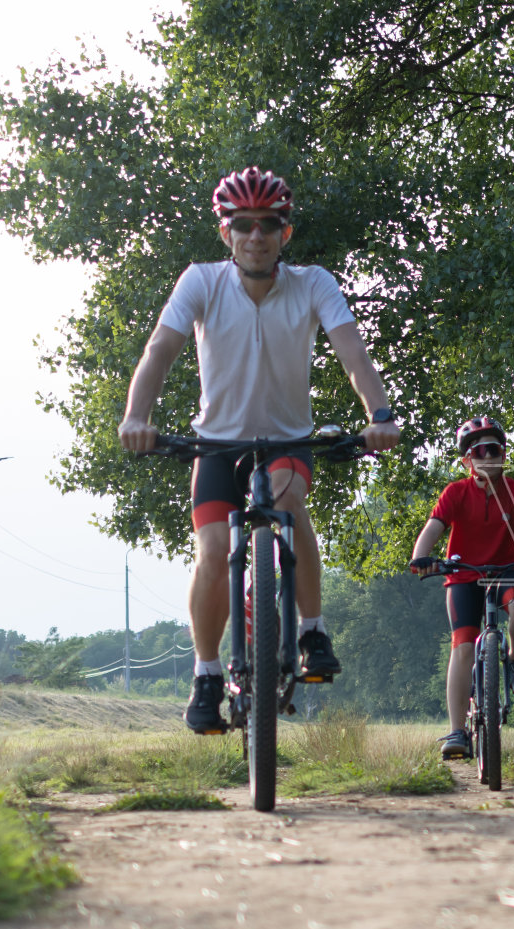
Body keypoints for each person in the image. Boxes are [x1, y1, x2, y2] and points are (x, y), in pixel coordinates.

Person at [118, 166, 401, 733]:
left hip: (286, 443)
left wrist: (380, 415)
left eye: (268, 224)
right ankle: (207, 674)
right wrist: (136, 417)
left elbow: (353, 354)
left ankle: (311, 631)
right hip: (216, 447)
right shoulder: (201, 281)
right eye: (243, 224)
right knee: (213, 551)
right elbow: (159, 351)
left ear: (284, 233)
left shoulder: (313, 283)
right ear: (226, 232)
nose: (255, 235)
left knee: (290, 505)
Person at [409, 417, 514, 759]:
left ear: (503, 454)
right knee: (463, 647)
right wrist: (421, 557)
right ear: (467, 460)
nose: (489, 456)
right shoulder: (455, 492)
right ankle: (457, 731)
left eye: (495, 449)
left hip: (507, 571)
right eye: (480, 451)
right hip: (463, 576)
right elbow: (434, 525)